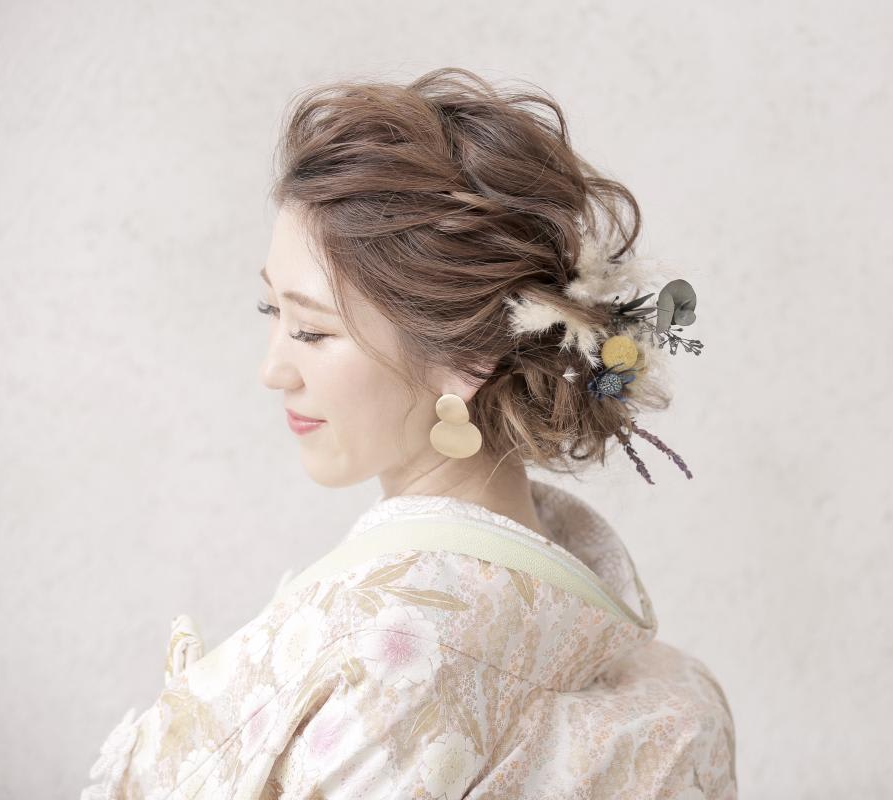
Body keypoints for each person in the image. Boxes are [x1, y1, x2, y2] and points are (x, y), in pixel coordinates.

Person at [80, 67, 735, 799]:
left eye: (312, 330)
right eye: (272, 313)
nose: (273, 370)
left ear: (466, 359)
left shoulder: (373, 653)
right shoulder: (681, 697)